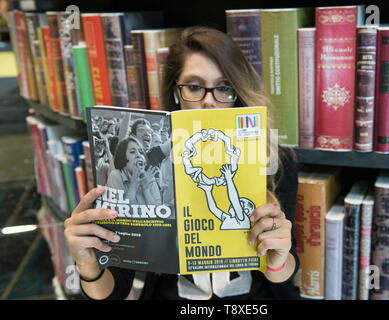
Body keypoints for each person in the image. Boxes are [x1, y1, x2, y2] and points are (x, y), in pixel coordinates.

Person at [64, 26, 299, 300]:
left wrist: (279, 256)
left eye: (224, 88)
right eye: (195, 87)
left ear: (238, 92)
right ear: (176, 93)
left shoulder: (274, 159)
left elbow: (284, 278)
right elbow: (115, 290)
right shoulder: (146, 161)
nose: (209, 102)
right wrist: (87, 263)